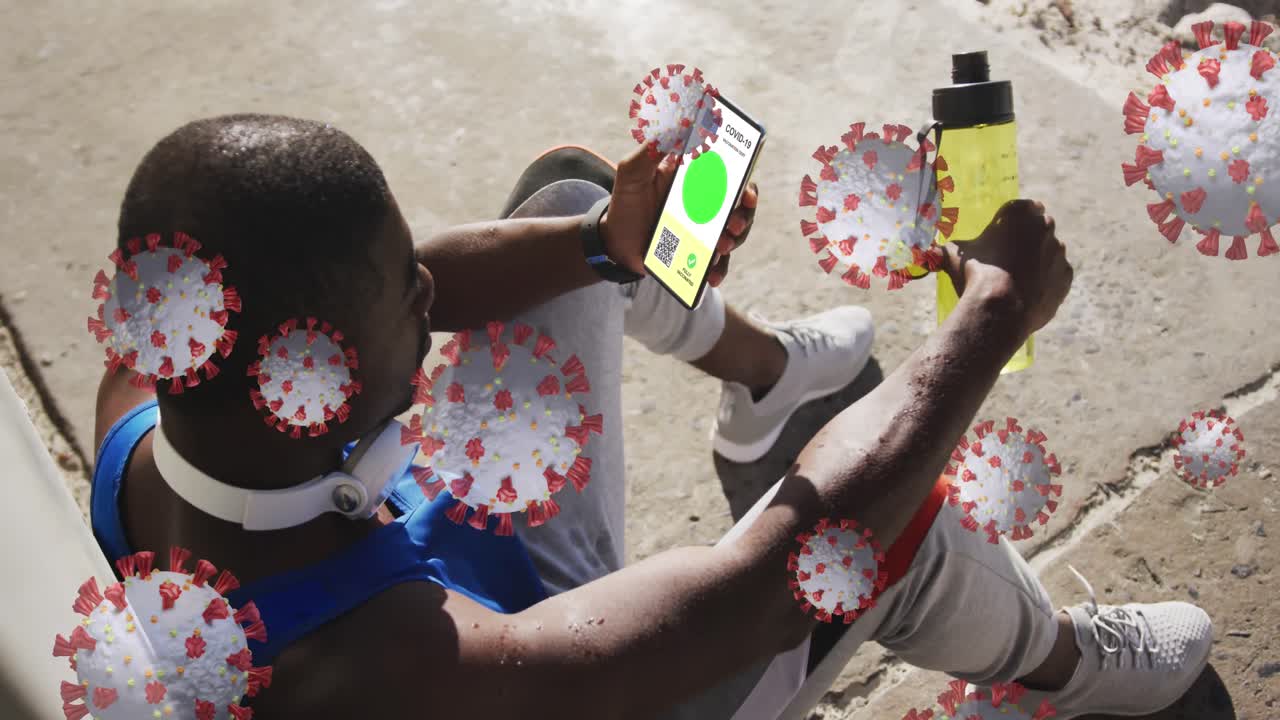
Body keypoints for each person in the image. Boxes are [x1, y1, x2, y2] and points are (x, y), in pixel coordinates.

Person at [89, 114, 1211, 720]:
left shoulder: (149, 398)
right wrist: (991, 320)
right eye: (404, 291)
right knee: (884, 539)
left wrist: (600, 246)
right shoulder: (385, 676)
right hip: (553, 679)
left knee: (570, 194)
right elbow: (770, 583)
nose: (428, 291)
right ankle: (1067, 669)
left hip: (459, 583)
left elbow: (422, 272)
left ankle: (766, 378)